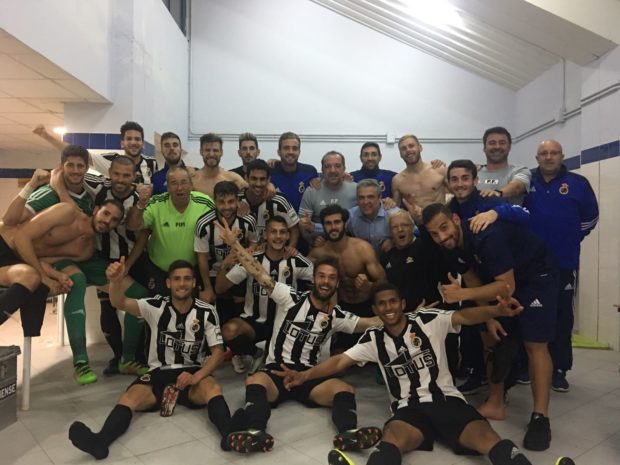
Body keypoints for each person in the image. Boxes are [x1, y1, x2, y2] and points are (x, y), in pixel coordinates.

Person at [275, 283, 547, 465]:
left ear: (402, 303)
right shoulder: (374, 338)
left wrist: (495, 310)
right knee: (393, 437)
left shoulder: (428, 320)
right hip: (409, 408)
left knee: (487, 438)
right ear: (375, 310)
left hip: (447, 401)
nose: (388, 308)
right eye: (382, 304)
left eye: (393, 301)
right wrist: (305, 376)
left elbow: (465, 317)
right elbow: (338, 362)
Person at [215, 221, 382, 454]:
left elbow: (373, 322)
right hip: (277, 371)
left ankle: (348, 433)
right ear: (313, 278)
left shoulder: (337, 316)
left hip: (308, 376)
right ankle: (255, 432)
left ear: (336, 283)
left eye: (331, 278)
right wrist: (235, 244)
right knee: (255, 381)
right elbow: (257, 271)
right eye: (321, 276)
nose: (325, 282)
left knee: (343, 388)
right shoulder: (289, 297)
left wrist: (414, 315)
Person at [423, 203, 558, 451]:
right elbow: (472, 278)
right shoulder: (449, 246)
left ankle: (541, 417)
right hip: (499, 280)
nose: (442, 237)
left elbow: (507, 287)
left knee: (534, 344)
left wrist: (462, 294)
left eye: (444, 227)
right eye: (434, 233)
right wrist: (490, 317)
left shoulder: (487, 235)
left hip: (536, 277)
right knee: (490, 335)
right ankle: (495, 403)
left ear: (455, 219)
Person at [68, 259, 235, 460]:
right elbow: (119, 302)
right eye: (177, 279)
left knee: (213, 388)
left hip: (191, 373)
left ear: (193, 283)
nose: (182, 283)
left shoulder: (206, 311)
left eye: (187, 279)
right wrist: (116, 281)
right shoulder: (155, 305)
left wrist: (196, 377)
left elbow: (218, 352)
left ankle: (229, 435)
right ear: (168, 283)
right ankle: (100, 443)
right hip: (158, 373)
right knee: (129, 397)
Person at [2, 198, 148, 384]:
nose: (107, 221)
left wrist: (54, 274)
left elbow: (45, 259)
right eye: (106, 213)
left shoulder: (85, 251)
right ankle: (81, 363)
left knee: (136, 292)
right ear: (95, 210)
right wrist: (45, 277)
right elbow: (20, 237)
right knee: (71, 280)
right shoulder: (66, 212)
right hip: (6, 247)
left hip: (24, 264)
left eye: (114, 220)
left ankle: (127, 360)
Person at [523, 139, 599, 392]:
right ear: (537, 158)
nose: (548, 157)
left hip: (563, 263)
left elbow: (591, 217)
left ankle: (559, 369)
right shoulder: (527, 181)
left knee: (562, 317)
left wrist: (570, 236)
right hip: (530, 264)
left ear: (562, 156)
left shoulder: (578, 183)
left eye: (553, 153)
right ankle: (524, 366)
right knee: (528, 314)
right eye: (543, 153)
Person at [215, 215, 313, 374]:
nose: (278, 236)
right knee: (228, 331)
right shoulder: (251, 259)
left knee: (273, 366)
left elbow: (321, 278)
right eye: (273, 232)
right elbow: (220, 288)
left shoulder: (295, 259)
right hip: (254, 322)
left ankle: (269, 352)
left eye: (282, 232)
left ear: (288, 236)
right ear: (265, 235)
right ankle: (255, 353)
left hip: (284, 324)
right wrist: (224, 265)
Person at [126, 166, 215, 296]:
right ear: (167, 187)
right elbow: (132, 226)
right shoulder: (156, 203)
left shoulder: (205, 203)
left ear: (191, 185)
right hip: (159, 272)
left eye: (184, 182)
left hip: (192, 273)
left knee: (190, 308)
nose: (179, 188)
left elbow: (223, 220)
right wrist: (141, 204)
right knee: (158, 308)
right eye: (174, 183)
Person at [309, 204, 386, 350]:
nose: (333, 227)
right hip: (340, 310)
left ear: (345, 224)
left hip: (367, 306)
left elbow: (384, 283)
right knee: (339, 354)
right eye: (328, 223)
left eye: (337, 222)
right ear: (323, 226)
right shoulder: (317, 254)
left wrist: (369, 286)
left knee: (375, 352)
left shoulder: (362, 248)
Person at [194, 180, 258, 306]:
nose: (227, 207)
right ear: (215, 201)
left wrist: (250, 249)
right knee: (209, 302)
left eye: (231, 201)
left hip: (240, 271)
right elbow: (202, 258)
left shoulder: (248, 221)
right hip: (213, 273)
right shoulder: (204, 224)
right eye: (221, 202)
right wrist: (208, 287)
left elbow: (254, 242)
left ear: (237, 200)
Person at [379, 209, 444, 311]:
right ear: (390, 232)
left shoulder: (424, 246)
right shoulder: (385, 257)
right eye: (395, 227)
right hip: (403, 315)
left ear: (413, 228)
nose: (400, 229)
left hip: (431, 310)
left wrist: (420, 221)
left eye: (404, 225)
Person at [238, 159, 300, 250]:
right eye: (254, 179)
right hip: (244, 254)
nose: (258, 184)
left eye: (262, 179)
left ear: (269, 180)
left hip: (273, 254)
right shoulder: (235, 200)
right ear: (246, 178)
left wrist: (290, 249)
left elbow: (294, 229)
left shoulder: (280, 201)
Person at [299, 151, 357, 241]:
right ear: (322, 170)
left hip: (350, 245)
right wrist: (313, 243)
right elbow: (303, 225)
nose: (332, 170)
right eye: (327, 166)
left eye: (337, 166)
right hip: (319, 245)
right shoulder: (311, 191)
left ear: (344, 168)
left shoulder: (356, 190)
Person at [391, 134, 447, 223]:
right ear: (400, 154)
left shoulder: (439, 170)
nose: (408, 150)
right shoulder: (397, 180)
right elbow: (396, 211)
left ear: (420, 148)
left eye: (411, 146)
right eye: (403, 148)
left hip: (441, 223)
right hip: (416, 226)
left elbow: (458, 192)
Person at [91, 121, 158, 184]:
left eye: (137, 139)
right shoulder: (111, 159)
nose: (133, 143)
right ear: (122, 143)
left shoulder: (152, 163)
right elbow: (87, 157)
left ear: (143, 144)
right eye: (129, 139)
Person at [477, 127, 531, 205]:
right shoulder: (475, 173)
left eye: (502, 143)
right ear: (484, 148)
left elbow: (517, 187)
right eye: (492, 143)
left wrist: (498, 193)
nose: (497, 147)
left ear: (509, 147)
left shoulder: (520, 171)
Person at [346, 179, 399, 254]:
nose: (365, 202)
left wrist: (394, 241)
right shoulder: (350, 216)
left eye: (370, 197)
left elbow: (414, 234)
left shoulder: (394, 214)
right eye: (361, 197)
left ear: (380, 198)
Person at [269, 131, 318, 211]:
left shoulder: (310, 171)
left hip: (303, 218)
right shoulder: (270, 171)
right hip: (276, 218)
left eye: (294, 148)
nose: (290, 152)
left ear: (299, 152)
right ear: (279, 152)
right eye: (286, 148)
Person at [190, 133, 247, 198]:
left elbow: (251, 195)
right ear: (201, 152)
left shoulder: (233, 179)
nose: (211, 154)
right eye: (207, 150)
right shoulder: (193, 180)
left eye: (215, 150)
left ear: (221, 152)